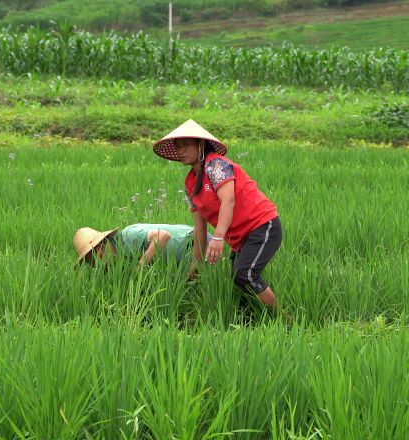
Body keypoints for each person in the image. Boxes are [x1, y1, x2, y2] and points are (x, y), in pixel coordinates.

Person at [152, 120, 282, 309]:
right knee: (239, 284)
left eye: (186, 145)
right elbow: (200, 227)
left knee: (245, 275)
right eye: (178, 147)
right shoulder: (190, 182)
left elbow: (228, 201)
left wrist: (219, 237)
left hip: (262, 226)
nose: (181, 151)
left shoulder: (216, 166)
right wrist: (196, 264)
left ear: (201, 145)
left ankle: (284, 320)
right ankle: (250, 323)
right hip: (240, 237)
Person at [73, 224, 196, 267]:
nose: (97, 265)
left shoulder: (129, 236)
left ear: (101, 246)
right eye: (90, 263)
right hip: (186, 265)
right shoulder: (119, 261)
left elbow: (163, 236)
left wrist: (140, 266)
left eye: (94, 259)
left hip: (198, 245)